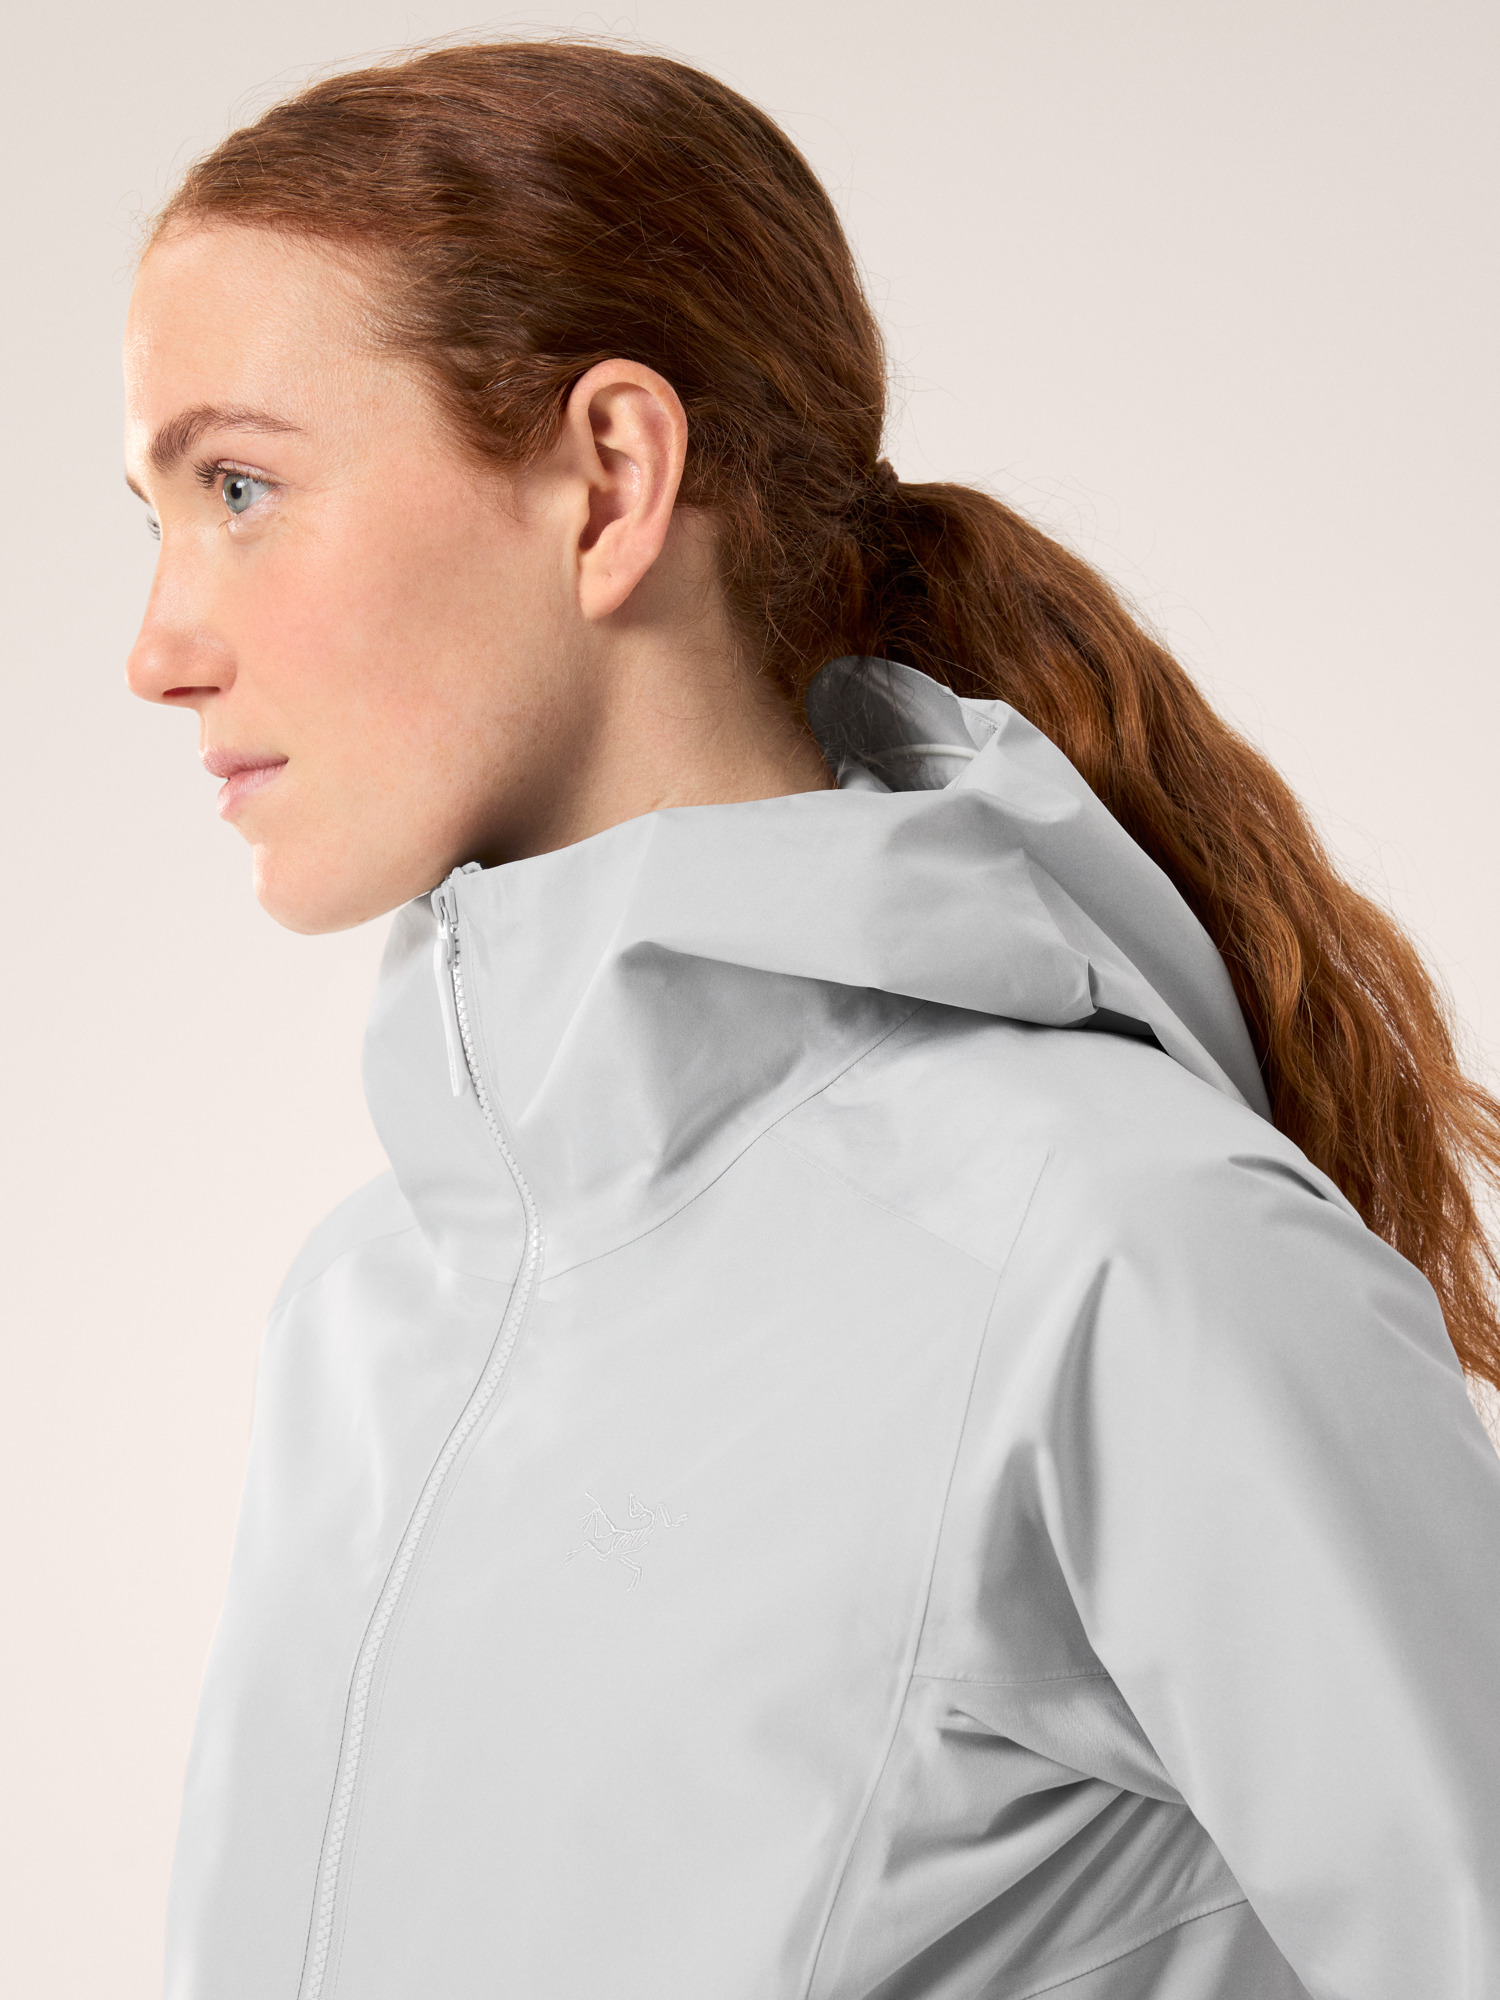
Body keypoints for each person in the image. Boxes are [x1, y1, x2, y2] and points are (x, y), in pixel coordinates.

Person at [123, 39, 1500, 2000]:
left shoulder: (1120, 1254)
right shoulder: (363, 1313)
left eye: (242, 487)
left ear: (609, 481)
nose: (158, 649)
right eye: (157, 514)